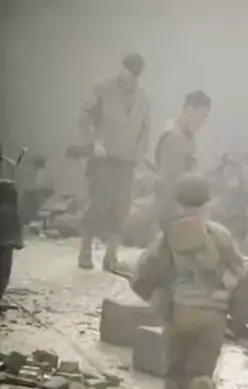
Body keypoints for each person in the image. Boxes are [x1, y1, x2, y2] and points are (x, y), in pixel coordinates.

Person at [130, 174, 248, 389]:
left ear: (177, 201)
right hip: (214, 315)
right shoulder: (220, 234)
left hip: (180, 312)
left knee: (174, 377)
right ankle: (200, 383)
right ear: (209, 201)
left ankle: (184, 388)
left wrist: (151, 294)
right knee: (202, 368)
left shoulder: (168, 235)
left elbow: (146, 270)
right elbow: (241, 272)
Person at [78, 53, 151, 271]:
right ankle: (85, 251)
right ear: (121, 69)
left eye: (133, 77)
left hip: (127, 161)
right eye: (125, 74)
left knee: (121, 209)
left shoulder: (143, 97)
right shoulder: (103, 88)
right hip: (103, 157)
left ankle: (111, 256)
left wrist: (141, 150)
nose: (128, 80)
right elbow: (85, 116)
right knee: (96, 204)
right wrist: (94, 141)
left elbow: (145, 127)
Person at [153, 90, 211, 228]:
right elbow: (170, 180)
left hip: (183, 206)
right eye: (202, 115)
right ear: (189, 110)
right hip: (173, 210)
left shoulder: (188, 137)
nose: (203, 121)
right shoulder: (174, 137)